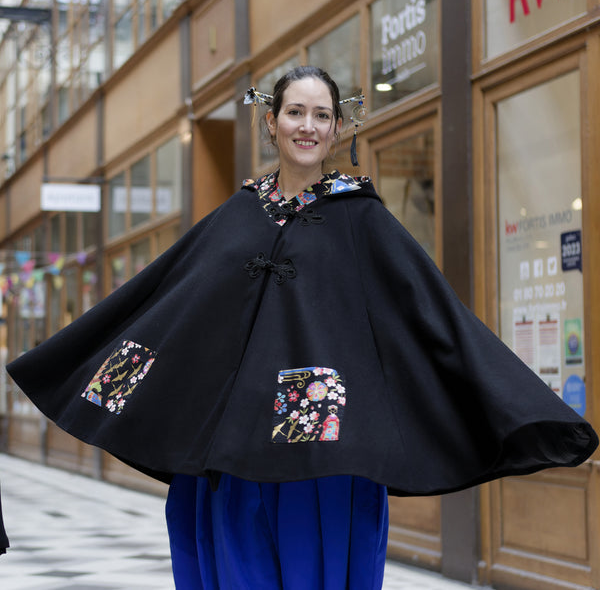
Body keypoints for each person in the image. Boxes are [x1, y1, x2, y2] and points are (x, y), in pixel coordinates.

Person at [6, 66, 598, 589]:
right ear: (272, 122)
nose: (307, 126)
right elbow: (165, 301)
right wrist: (74, 363)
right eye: (295, 112)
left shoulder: (363, 219)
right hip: (229, 459)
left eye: (322, 115)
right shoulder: (236, 215)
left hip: (324, 459)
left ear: (337, 129)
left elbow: (434, 315)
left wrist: (514, 404)